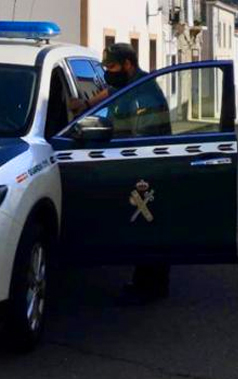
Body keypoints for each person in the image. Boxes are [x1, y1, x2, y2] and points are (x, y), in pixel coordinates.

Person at [68, 43, 172, 304]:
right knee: (139, 226)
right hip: (132, 162)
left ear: (128, 64)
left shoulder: (144, 96)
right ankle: (141, 280)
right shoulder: (128, 83)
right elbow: (110, 92)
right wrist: (87, 104)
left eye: (112, 67)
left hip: (146, 167)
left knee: (148, 228)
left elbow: (144, 141)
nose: (108, 72)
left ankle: (152, 287)